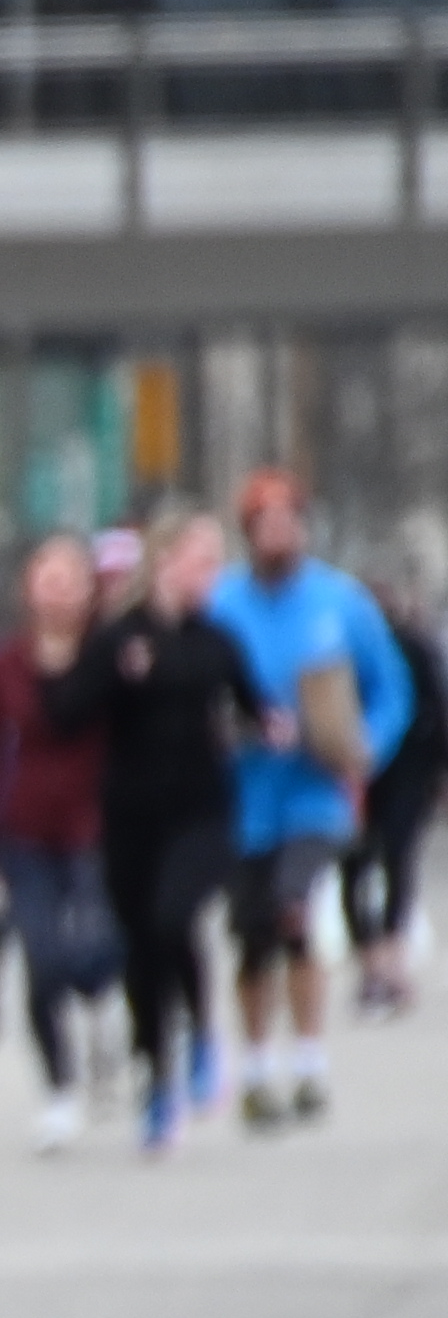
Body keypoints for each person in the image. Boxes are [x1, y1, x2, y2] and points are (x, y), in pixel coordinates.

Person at [201, 468, 414, 1129]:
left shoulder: (340, 602)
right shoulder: (221, 603)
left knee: (294, 911)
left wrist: (367, 741)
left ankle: (310, 1059)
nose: (278, 534)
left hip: (316, 792)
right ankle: (256, 1065)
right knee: (252, 935)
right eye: (265, 523)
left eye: (288, 521)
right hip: (244, 796)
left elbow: (391, 687)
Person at [40, 511, 254, 1158]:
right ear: (166, 562)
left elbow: (254, 702)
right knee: (140, 947)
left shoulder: (216, 639)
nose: (211, 574)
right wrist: (79, 660)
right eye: (201, 560)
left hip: (201, 811)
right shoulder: (120, 638)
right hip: (131, 815)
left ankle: (202, 1035)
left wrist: (276, 724)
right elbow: (67, 712)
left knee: (173, 918)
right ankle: (157, 1078)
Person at [0, 536, 123, 1154]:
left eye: (68, 580)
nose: (56, 593)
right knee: (41, 957)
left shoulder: (110, 656)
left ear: (89, 591)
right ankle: (59, 1088)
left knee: (96, 944)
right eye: (45, 580)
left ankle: (105, 1010)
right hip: (25, 829)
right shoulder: (6, 664)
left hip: (96, 824)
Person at [346, 571, 441, 1018]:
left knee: (397, 859)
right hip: (355, 772)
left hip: (407, 770)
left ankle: (393, 958)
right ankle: (371, 961)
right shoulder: (340, 652)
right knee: (353, 867)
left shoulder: (413, 646)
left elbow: (437, 708)